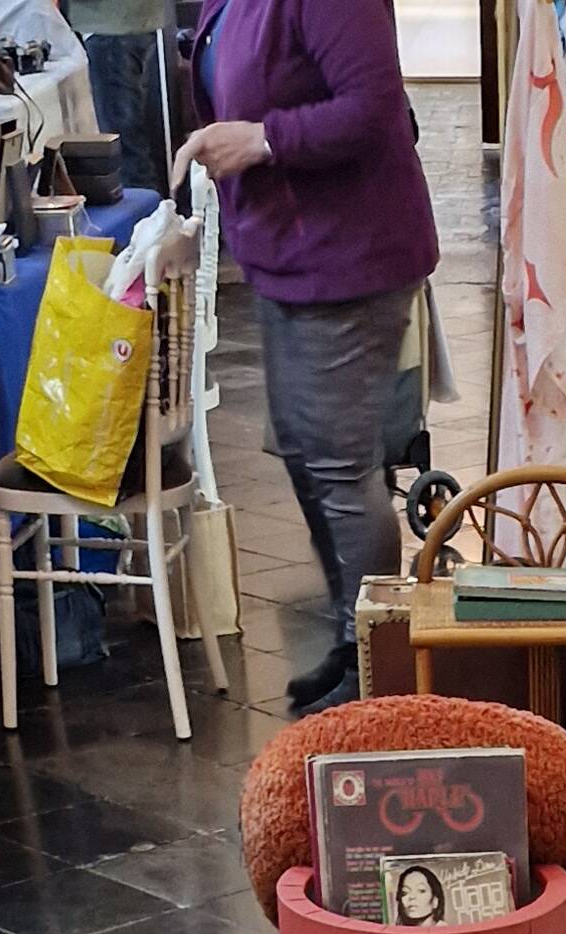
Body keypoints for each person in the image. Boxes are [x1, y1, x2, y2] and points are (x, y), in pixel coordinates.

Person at [179, 0, 439, 714]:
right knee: (304, 451)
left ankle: (378, 670)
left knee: (340, 466)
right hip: (293, 251)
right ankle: (352, 636)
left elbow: (372, 108)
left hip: (350, 257)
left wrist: (263, 140)